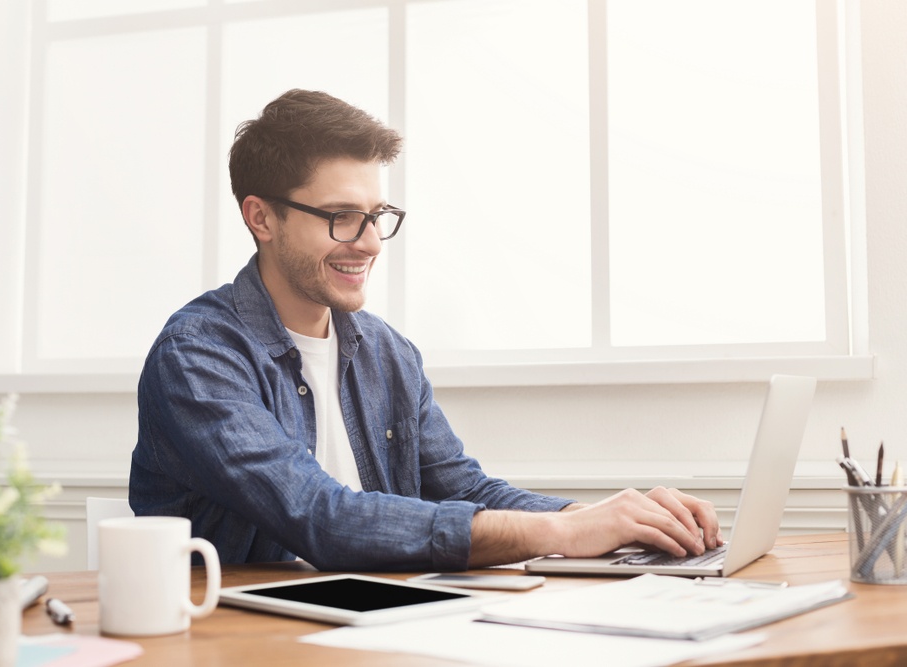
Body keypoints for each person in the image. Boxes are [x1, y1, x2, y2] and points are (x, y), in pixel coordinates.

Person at [129, 89, 721, 571]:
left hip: (383, 620)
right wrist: (561, 530)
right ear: (261, 217)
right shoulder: (198, 353)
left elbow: (464, 489)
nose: (366, 243)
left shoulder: (386, 352)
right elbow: (320, 515)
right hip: (238, 639)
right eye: (340, 217)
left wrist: (614, 518)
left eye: (377, 217)